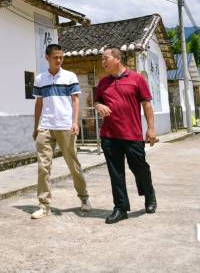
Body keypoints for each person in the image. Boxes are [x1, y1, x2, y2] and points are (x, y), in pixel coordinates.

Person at [94, 47, 157, 224]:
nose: (103, 62)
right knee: (116, 173)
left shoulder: (137, 79)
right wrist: (98, 106)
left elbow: (147, 105)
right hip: (109, 135)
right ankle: (120, 208)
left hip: (132, 134)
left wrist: (151, 129)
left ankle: (149, 195)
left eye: (105, 58)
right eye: (102, 59)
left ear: (117, 58)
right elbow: (97, 100)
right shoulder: (103, 82)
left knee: (140, 168)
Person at [31, 43, 91, 219]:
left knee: (73, 165)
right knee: (43, 167)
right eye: (56, 57)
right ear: (47, 58)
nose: (59, 60)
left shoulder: (69, 76)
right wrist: (36, 127)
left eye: (61, 57)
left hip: (65, 126)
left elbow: (75, 100)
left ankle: (84, 198)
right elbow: (39, 103)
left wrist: (75, 122)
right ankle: (44, 205)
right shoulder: (40, 79)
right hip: (45, 126)